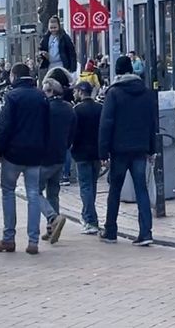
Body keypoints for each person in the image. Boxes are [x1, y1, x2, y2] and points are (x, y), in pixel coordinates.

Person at [0, 63, 48, 254]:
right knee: (33, 194)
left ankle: (8, 238)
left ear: (14, 76)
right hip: (35, 152)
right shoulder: (41, 96)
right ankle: (33, 240)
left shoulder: (12, 96)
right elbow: (48, 125)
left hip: (14, 153)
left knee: (8, 192)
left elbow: (4, 126)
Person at [99, 56, 159, 246]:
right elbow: (152, 122)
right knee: (141, 188)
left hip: (119, 149)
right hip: (140, 148)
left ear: (117, 71)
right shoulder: (146, 92)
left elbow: (106, 123)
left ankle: (110, 231)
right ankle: (146, 232)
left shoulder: (114, 93)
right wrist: (152, 148)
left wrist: (103, 151)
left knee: (115, 189)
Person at [38, 77, 76, 245]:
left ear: (51, 91)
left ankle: (53, 218)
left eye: (45, 91)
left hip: (44, 156)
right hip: (60, 155)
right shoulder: (69, 109)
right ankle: (52, 228)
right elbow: (72, 133)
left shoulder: (45, 109)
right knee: (53, 192)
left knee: (34, 191)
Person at [71, 81, 103, 234]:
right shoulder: (100, 108)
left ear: (80, 92)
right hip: (97, 153)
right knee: (92, 185)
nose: (74, 94)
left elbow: (73, 133)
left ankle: (90, 220)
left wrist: (72, 146)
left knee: (85, 186)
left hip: (81, 153)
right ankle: (87, 215)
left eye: (76, 91)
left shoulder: (77, 110)